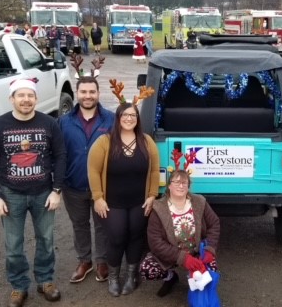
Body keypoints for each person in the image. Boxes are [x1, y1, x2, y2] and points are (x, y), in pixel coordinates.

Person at [0, 78, 66, 307]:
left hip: (44, 193)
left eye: (30, 96)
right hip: (11, 195)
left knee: (46, 240)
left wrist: (57, 190)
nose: (26, 100)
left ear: (36, 98)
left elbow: (60, 157)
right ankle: (19, 286)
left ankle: (45, 280)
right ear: (12, 99)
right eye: (21, 95)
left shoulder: (49, 123)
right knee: (13, 244)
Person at [87, 102, 160, 297]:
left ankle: (131, 276)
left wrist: (152, 195)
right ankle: (113, 277)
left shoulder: (146, 141)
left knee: (136, 236)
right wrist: (98, 198)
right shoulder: (104, 142)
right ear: (118, 118)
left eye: (133, 115)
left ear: (138, 119)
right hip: (112, 202)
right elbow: (93, 171)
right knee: (117, 237)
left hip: (139, 201)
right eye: (125, 115)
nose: (129, 118)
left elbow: (154, 171)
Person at [59, 76, 115, 284]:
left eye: (92, 92)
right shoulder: (64, 121)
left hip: (102, 186)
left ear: (98, 94)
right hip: (73, 184)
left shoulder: (110, 119)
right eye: (83, 92)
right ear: (77, 93)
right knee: (79, 224)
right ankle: (84, 261)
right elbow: (59, 153)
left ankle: (101, 260)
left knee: (102, 225)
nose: (88, 96)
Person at [139, 170, 221, 298]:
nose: (181, 185)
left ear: (188, 186)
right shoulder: (158, 208)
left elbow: (214, 224)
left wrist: (209, 249)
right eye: (176, 182)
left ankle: (194, 278)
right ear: (169, 186)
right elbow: (155, 242)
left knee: (211, 271)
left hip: (197, 252)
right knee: (147, 269)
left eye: (184, 182)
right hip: (172, 254)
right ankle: (170, 277)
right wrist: (183, 258)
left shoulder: (199, 202)